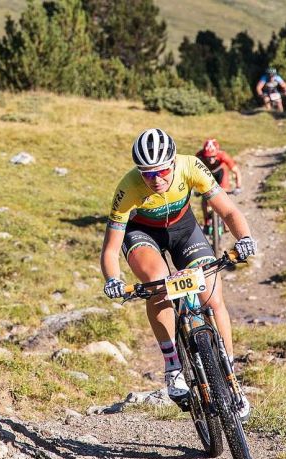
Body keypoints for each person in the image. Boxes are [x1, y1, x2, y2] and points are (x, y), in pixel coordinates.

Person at [101, 128, 257, 420]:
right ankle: (173, 365)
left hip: (184, 230)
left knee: (212, 298)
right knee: (157, 284)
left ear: (173, 163)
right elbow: (110, 249)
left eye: (161, 171)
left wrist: (244, 238)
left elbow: (228, 211)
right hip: (142, 234)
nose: (156, 179)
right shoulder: (128, 187)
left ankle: (230, 376)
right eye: (147, 174)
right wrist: (113, 280)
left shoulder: (191, 166)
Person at [196, 138, 243, 235]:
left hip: (221, 173)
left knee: (224, 196)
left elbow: (236, 171)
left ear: (217, 153)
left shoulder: (223, 155)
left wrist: (238, 186)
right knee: (204, 198)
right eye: (208, 157)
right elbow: (192, 173)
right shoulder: (199, 156)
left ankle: (227, 222)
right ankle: (206, 223)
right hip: (207, 175)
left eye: (213, 156)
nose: (211, 159)